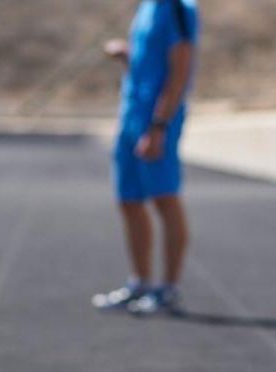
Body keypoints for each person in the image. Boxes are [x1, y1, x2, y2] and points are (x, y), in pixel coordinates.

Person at [93, 0, 199, 315]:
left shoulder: (178, 8)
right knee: (128, 200)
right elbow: (149, 65)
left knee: (165, 198)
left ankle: (168, 289)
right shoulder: (145, 8)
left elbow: (181, 67)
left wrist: (159, 125)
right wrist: (127, 57)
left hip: (156, 121)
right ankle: (140, 283)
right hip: (131, 116)